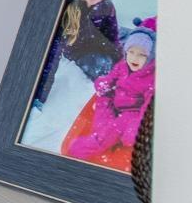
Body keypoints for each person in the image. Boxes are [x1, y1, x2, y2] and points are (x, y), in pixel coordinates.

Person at [63, 19, 157, 171]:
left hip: (131, 113)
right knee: (101, 122)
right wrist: (104, 84)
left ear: (150, 57)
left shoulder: (151, 78)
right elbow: (112, 77)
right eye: (131, 52)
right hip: (113, 101)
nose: (134, 58)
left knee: (110, 133)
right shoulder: (123, 65)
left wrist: (137, 126)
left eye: (141, 55)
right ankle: (102, 134)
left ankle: (85, 148)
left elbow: (148, 107)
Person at [33, 0, 120, 108]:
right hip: (79, 50)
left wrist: (123, 67)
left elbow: (113, 38)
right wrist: (39, 97)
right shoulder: (66, 8)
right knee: (102, 66)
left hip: (99, 43)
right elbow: (52, 54)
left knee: (126, 51)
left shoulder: (106, 7)